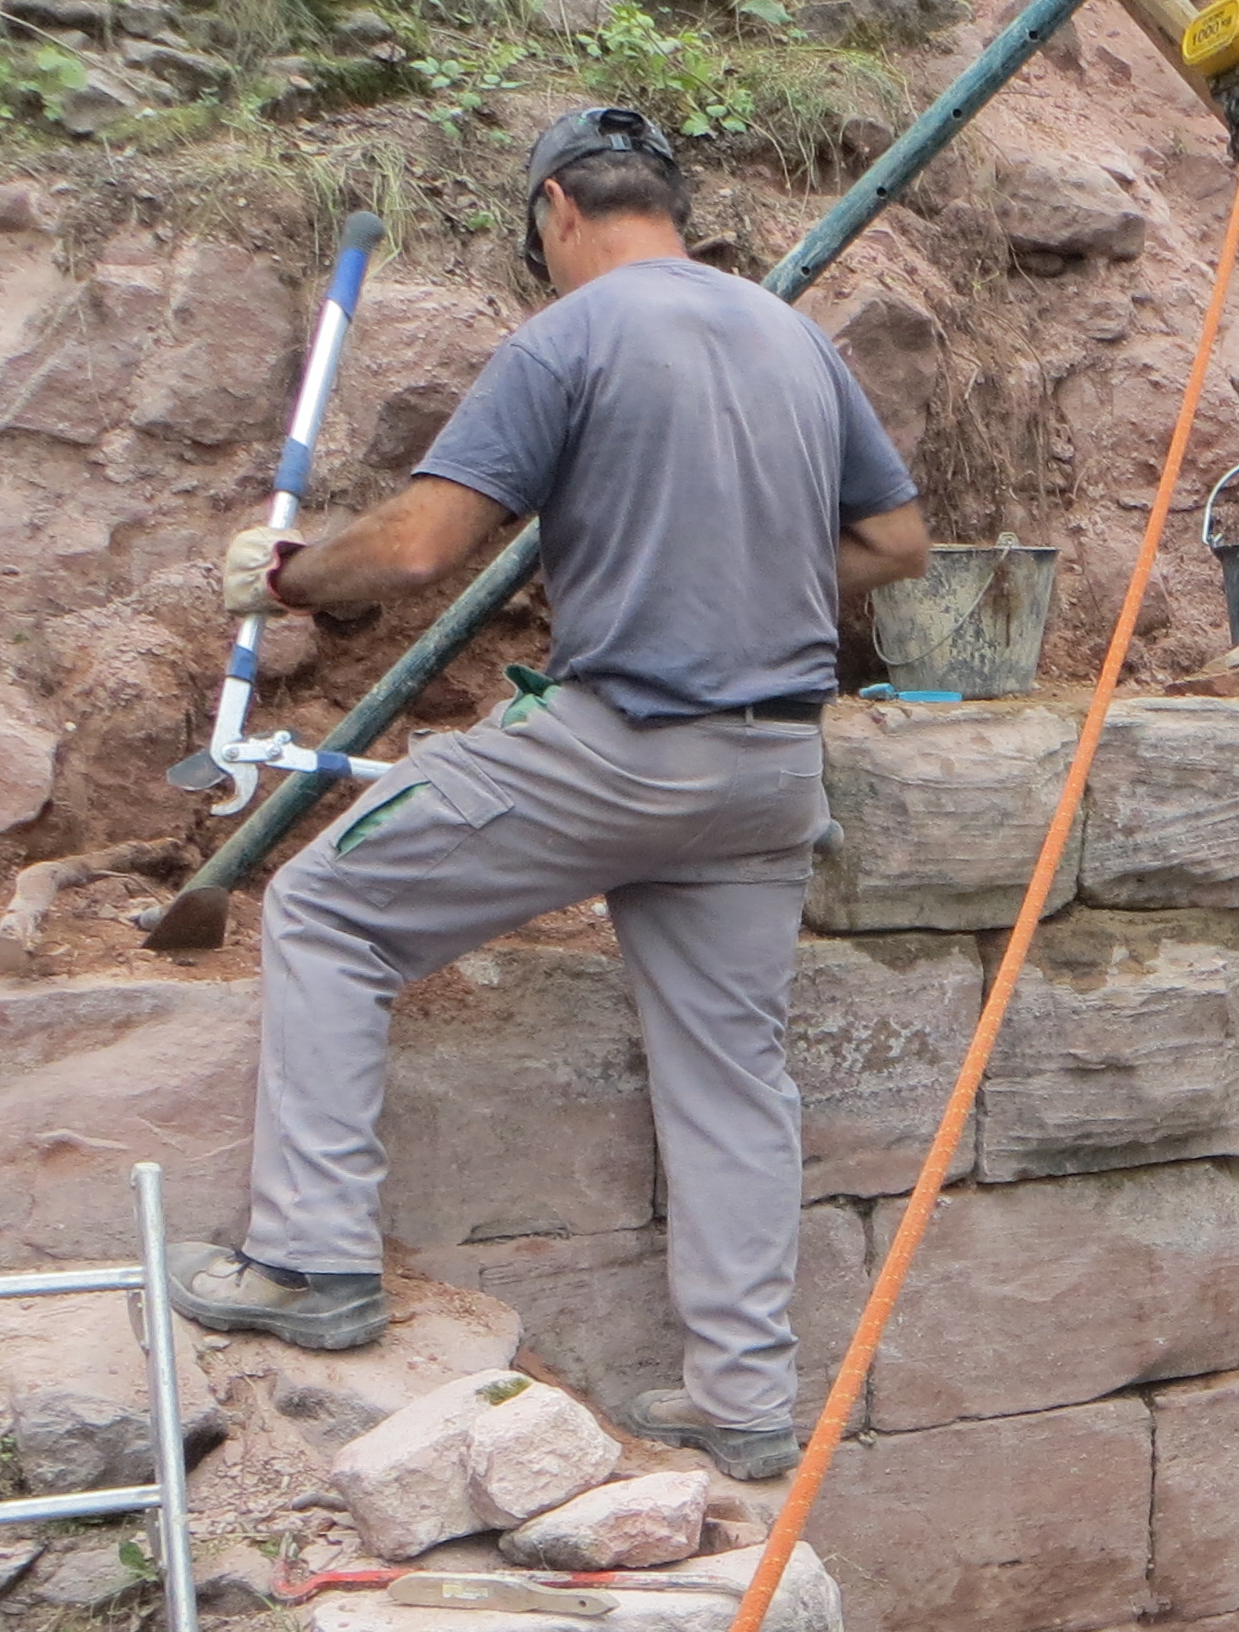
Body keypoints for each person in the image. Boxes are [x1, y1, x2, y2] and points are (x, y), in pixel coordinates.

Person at [166, 109, 933, 1483]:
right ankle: (745, 1403)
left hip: (622, 747)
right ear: (671, 207)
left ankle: (311, 1260)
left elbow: (418, 549)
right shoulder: (794, 338)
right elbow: (897, 541)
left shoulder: (570, 336)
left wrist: (286, 578)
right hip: (770, 772)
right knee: (730, 1075)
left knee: (328, 908)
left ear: (560, 208)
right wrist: (746, 571)